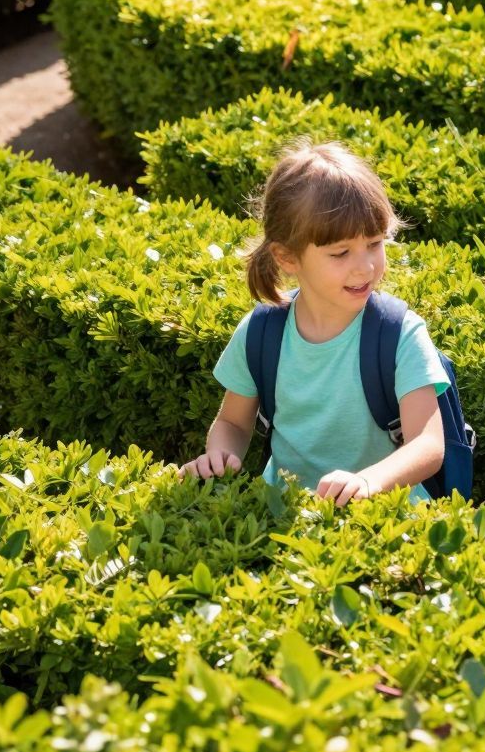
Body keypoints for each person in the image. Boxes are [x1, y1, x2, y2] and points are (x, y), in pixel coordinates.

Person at [181, 140, 449, 505]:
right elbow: (232, 423)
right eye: (340, 252)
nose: (365, 266)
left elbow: (428, 444)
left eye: (374, 243)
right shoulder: (262, 332)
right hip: (283, 516)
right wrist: (220, 455)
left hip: (384, 520)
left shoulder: (399, 333)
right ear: (287, 257)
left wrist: (368, 482)